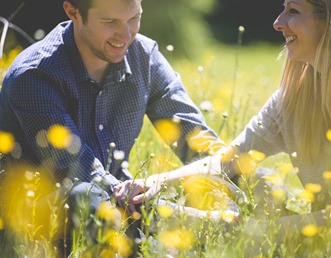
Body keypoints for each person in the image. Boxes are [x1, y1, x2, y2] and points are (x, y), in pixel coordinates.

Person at [117, 0, 331, 256]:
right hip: (321, 233)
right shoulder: (297, 95)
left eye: (293, 11)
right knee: (251, 184)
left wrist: (246, 230)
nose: (278, 22)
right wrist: (153, 183)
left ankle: (188, 228)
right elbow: (229, 159)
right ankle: (169, 225)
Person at [0, 0, 224, 255]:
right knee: (85, 197)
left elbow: (196, 139)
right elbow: (78, 170)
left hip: (120, 203)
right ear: (73, 12)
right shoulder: (34, 75)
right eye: (110, 22)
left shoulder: (144, 57)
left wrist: (239, 176)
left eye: (134, 19)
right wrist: (175, 213)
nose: (126, 35)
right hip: (35, 221)